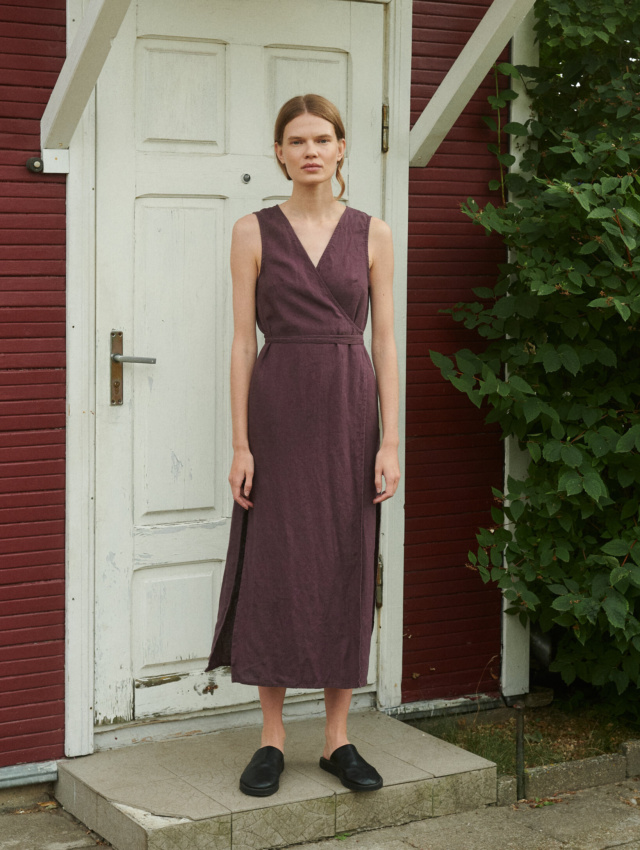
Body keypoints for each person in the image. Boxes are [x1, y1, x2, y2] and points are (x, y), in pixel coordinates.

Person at [204, 94, 400, 797]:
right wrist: (240, 443)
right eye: (297, 140)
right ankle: (271, 739)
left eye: (323, 138)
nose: (311, 150)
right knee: (278, 565)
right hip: (278, 413)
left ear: (342, 149)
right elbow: (239, 341)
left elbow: (385, 340)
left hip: (351, 414)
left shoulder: (373, 233)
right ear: (279, 154)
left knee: (346, 561)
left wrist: (391, 440)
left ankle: (337, 739)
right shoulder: (251, 231)